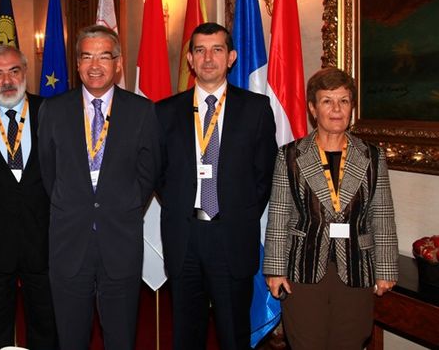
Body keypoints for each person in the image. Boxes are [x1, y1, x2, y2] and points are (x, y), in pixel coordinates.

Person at [38, 25, 160, 350]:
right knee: (71, 338)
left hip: (120, 239)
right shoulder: (53, 110)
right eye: (86, 56)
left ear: (118, 63)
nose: (95, 65)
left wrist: (123, 203)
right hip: (69, 241)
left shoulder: (141, 111)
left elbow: (148, 173)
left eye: (104, 56)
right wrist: (73, 203)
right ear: (77, 64)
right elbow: (48, 172)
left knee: (121, 338)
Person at [156, 22, 277, 349]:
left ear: (232, 57)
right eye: (200, 50)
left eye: (217, 49)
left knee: (234, 334)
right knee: (186, 334)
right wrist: (182, 205)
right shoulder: (164, 112)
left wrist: (239, 212)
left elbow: (264, 174)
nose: (208, 58)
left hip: (232, 237)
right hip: (185, 237)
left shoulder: (256, 109)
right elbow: (159, 174)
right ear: (191, 61)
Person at [263, 67, 398, 350]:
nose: (336, 109)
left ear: (351, 107)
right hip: (304, 268)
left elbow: (382, 216)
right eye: (327, 101)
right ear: (313, 108)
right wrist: (275, 270)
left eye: (344, 101)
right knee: (305, 342)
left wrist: (386, 268)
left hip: (356, 269)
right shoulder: (290, 155)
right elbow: (279, 216)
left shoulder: (372, 156)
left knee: (350, 341)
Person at [0, 44, 57, 350]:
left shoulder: (53, 113)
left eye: (14, 71)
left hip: (44, 240)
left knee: (47, 326)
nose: (7, 81)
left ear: (25, 73)